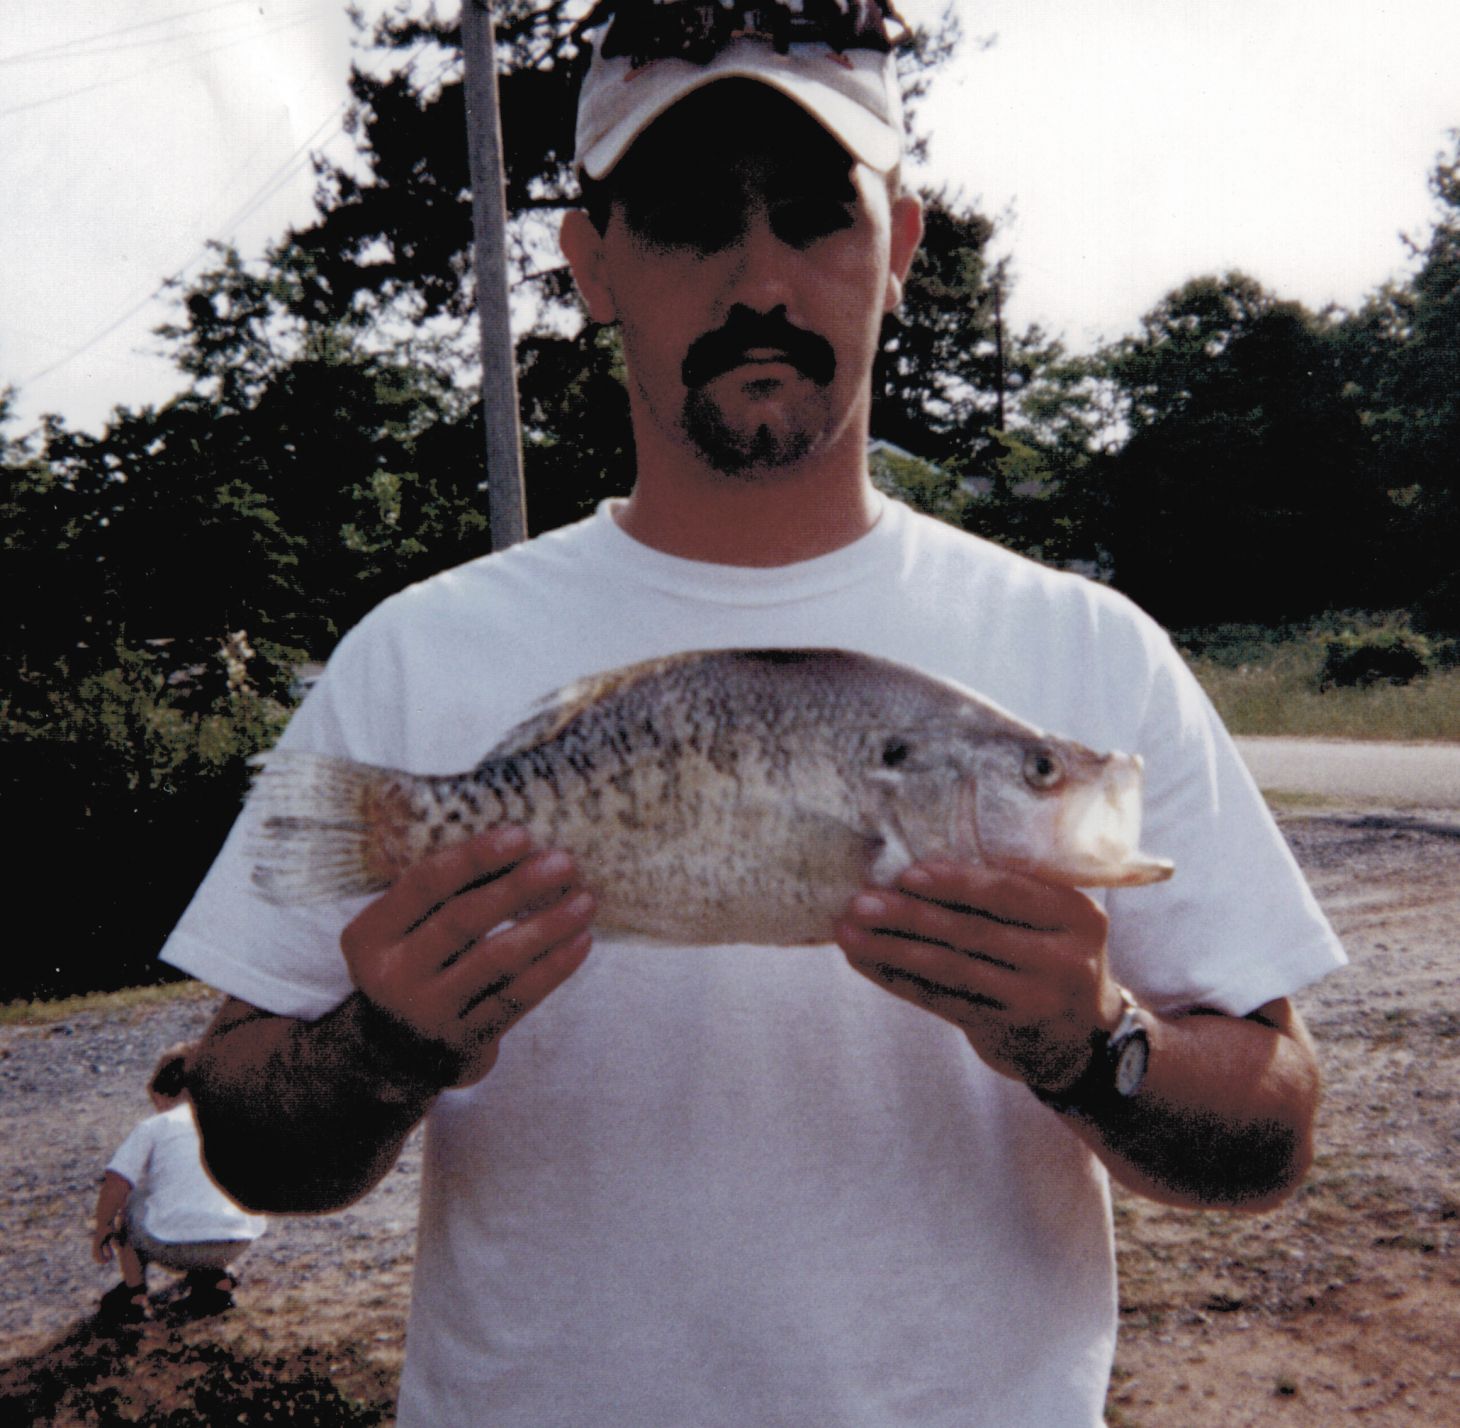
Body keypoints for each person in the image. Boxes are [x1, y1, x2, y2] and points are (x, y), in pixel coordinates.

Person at [162, 2, 1347, 1422]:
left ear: (898, 248)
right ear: (592, 264)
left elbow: (1273, 1129)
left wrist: (1098, 1044)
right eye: (682, 219)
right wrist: (383, 1050)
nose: (761, 279)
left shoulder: (1087, 650)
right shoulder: (419, 659)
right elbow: (247, 1140)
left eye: (813, 215)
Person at [92, 1043, 266, 1325]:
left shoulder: (155, 1126)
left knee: (133, 1199)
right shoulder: (231, 1119)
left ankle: (135, 1294)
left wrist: (103, 1227)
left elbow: (117, 1180)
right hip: (237, 1240)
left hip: (171, 1245)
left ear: (161, 1095)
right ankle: (216, 1279)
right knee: (218, 1192)